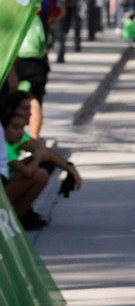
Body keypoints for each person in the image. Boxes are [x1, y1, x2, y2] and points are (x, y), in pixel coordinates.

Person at [3, 94, 82, 230]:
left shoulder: (15, 133)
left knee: (45, 165)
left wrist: (70, 169)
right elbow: (29, 170)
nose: (30, 113)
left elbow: (44, 151)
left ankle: (21, 214)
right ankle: (16, 218)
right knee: (39, 174)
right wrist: (38, 157)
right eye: (25, 109)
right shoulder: (4, 144)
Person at [9, 6, 50, 141]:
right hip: (35, 60)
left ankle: (30, 141)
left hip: (20, 59)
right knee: (31, 101)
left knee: (26, 100)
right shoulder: (36, 9)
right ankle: (31, 139)